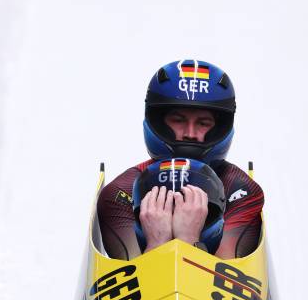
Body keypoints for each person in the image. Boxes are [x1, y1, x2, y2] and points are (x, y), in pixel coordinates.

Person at [97, 59, 264, 260]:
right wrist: (158, 240)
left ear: (220, 128)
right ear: (158, 121)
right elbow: (131, 276)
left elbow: (228, 276)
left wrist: (187, 238)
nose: (190, 134)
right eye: (178, 120)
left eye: (203, 123)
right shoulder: (119, 193)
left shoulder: (242, 191)